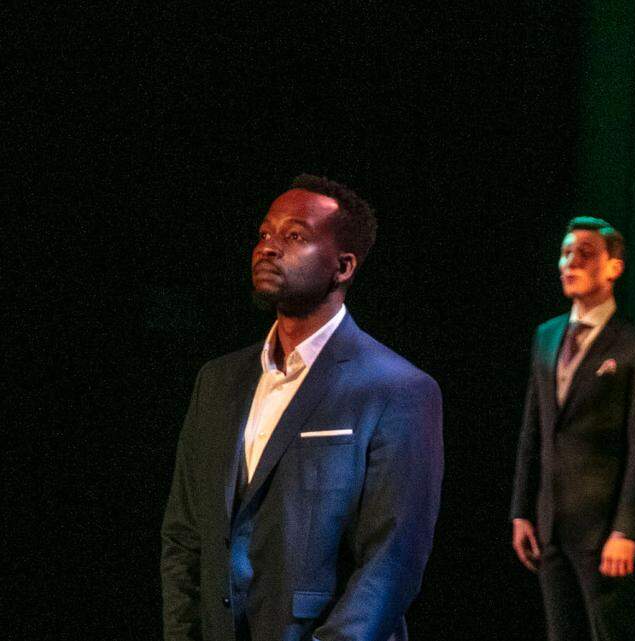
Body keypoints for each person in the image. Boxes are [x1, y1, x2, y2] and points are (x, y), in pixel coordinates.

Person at [160, 175, 443, 641]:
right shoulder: (217, 381)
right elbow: (184, 535)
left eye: (294, 236)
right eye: (265, 234)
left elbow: (392, 561)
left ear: (344, 266)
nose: (268, 248)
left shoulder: (398, 389)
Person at [510, 216, 635, 641]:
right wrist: (522, 509)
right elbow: (534, 430)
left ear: (613, 267)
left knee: (610, 632)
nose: (570, 263)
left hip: (602, 529)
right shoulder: (546, 336)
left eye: (583, 254)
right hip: (549, 523)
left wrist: (626, 530)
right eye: (565, 254)